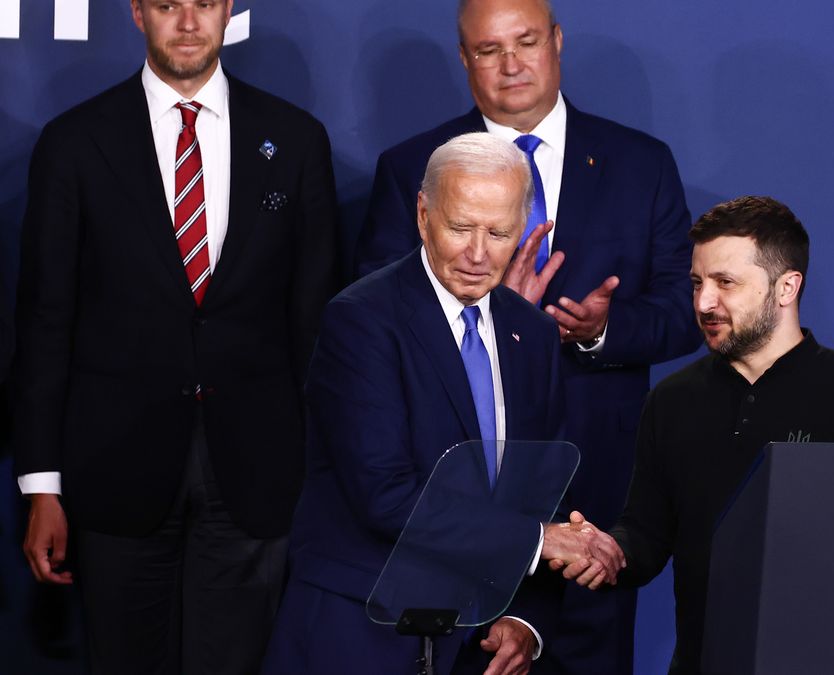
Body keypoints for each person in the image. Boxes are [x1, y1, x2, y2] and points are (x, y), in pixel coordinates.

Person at [356, 1, 698, 669]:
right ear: (464, 58)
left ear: (557, 41)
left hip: (597, 488)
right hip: (460, 486)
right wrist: (488, 309)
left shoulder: (640, 162)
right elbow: (381, 316)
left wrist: (603, 330)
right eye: (488, 50)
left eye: (526, 42)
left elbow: (687, 311)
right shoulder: (412, 170)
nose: (510, 64)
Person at [12, 1, 340, 672]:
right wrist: (41, 484)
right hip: (115, 468)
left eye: (204, 3)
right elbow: (46, 321)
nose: (187, 21)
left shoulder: (296, 140)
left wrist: (326, 475)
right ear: (137, 13)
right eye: (167, 4)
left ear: (227, 11)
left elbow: (317, 322)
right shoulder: (75, 142)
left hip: (257, 469)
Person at [263, 133, 624, 675]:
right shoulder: (362, 319)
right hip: (365, 637)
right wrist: (539, 543)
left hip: (476, 646)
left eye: (500, 233)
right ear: (423, 213)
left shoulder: (533, 334)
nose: (479, 255)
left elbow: (541, 488)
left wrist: (523, 617)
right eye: (460, 228)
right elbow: (386, 496)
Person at [558, 196, 834, 674]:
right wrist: (610, 552)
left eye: (725, 282)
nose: (704, 302)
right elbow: (647, 532)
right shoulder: (672, 400)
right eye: (697, 283)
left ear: (787, 287)